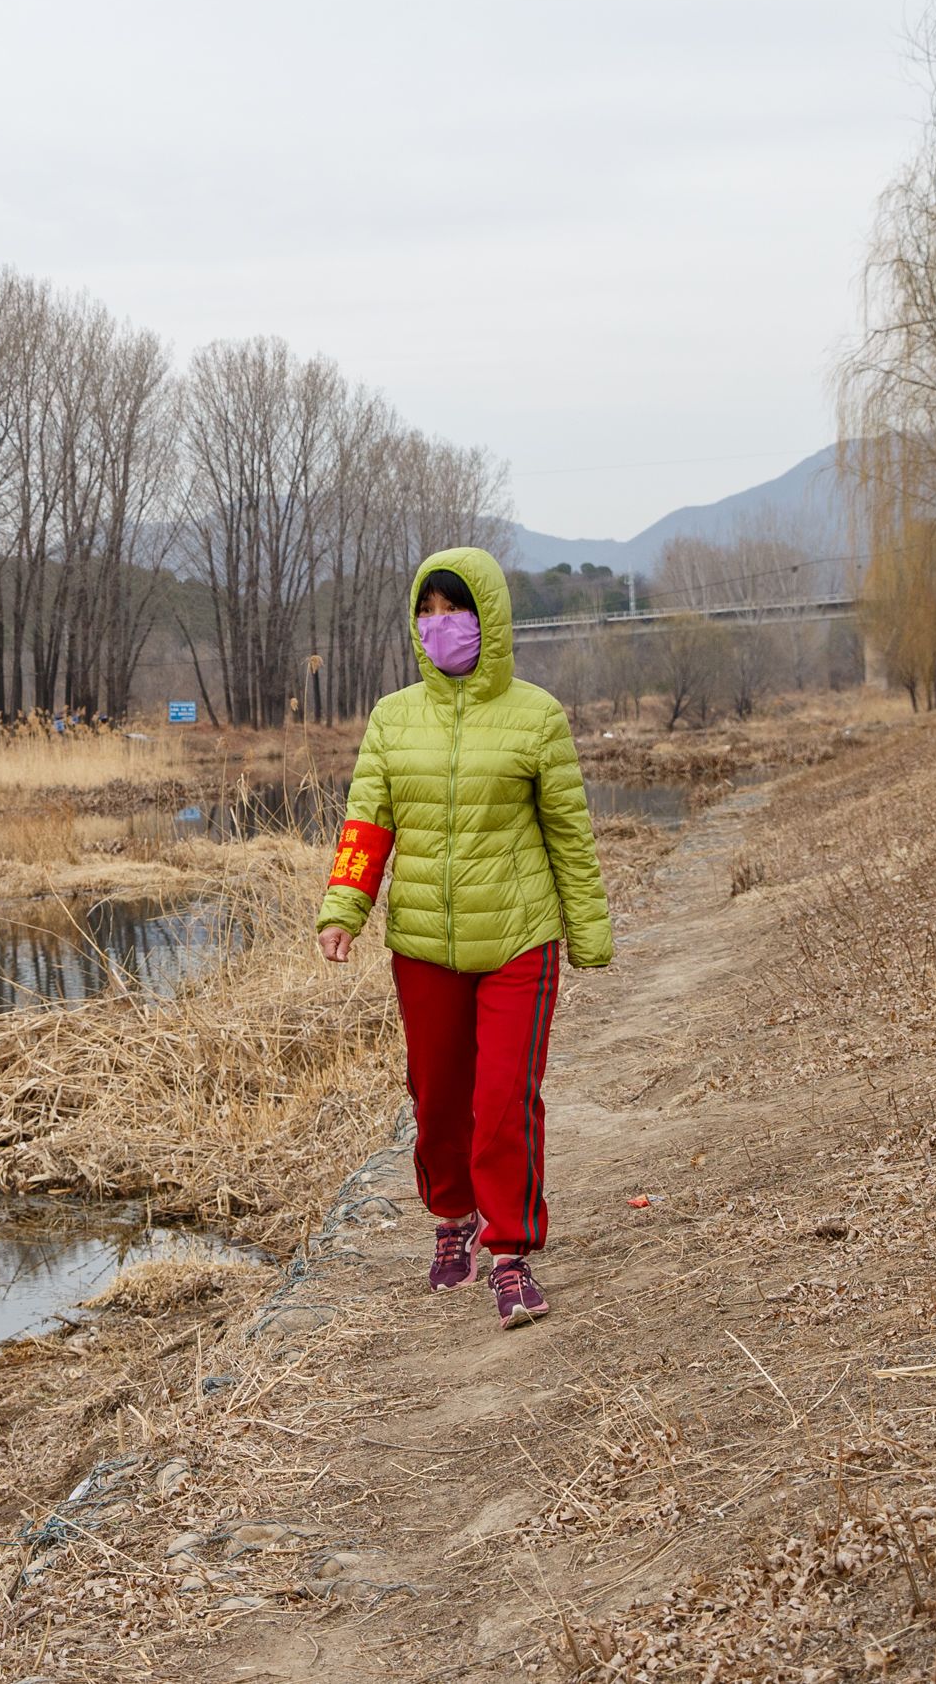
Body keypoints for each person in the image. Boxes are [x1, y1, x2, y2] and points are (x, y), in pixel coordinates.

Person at [314, 547, 613, 1330]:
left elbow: (569, 836)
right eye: (429, 610)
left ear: (491, 619)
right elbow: (367, 821)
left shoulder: (536, 716)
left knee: (502, 1099)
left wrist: (589, 930)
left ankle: (511, 1255)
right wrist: (343, 908)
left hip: (518, 938)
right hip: (423, 943)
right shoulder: (392, 717)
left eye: (457, 610)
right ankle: (454, 1222)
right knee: (439, 1099)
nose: (441, 624)